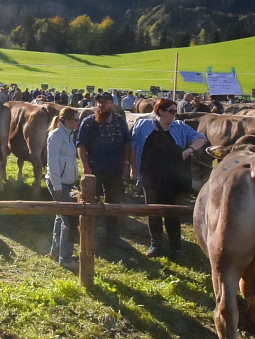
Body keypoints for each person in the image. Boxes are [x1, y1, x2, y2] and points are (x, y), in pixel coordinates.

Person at [130, 97, 207, 258]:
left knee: (172, 211)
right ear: (160, 112)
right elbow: (134, 146)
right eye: (171, 111)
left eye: (175, 111)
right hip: (150, 176)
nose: (174, 115)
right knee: (153, 211)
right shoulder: (143, 125)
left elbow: (201, 138)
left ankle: (176, 247)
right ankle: (156, 245)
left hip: (173, 177)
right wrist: (133, 168)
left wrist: (191, 148)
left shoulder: (179, 127)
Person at [76, 93, 132, 251]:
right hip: (95, 169)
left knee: (113, 202)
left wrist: (127, 163)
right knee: (90, 202)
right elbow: (81, 145)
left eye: (105, 103)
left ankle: (112, 235)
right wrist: (86, 166)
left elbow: (127, 143)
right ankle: (89, 234)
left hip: (115, 169)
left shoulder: (120, 121)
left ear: (112, 105)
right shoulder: (88, 123)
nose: (102, 105)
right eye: (99, 103)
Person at [46, 107, 82, 270]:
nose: (77, 122)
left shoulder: (68, 135)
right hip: (59, 183)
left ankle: (56, 251)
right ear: (66, 120)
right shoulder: (56, 136)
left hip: (67, 183)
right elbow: (52, 161)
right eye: (75, 119)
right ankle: (66, 258)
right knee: (70, 219)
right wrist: (57, 185)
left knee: (61, 217)